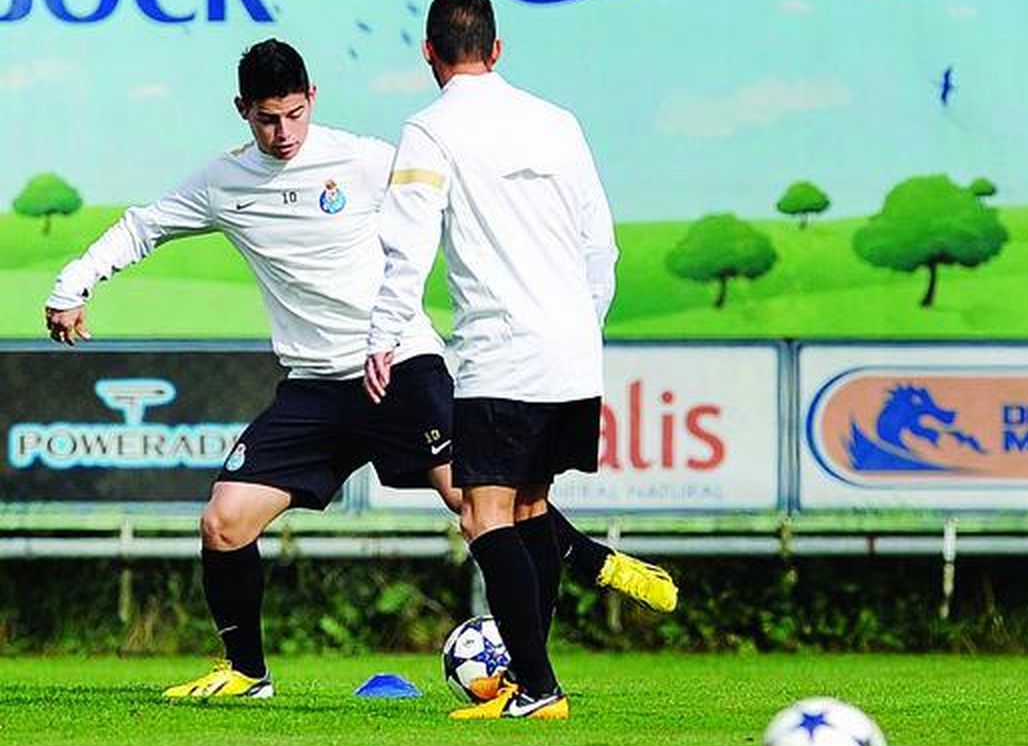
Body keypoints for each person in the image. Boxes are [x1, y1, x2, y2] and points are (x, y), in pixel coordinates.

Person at [43, 38, 675, 700]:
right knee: (224, 521)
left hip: (400, 366)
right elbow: (142, 228)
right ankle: (247, 673)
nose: (282, 131)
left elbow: (455, 199)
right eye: (266, 118)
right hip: (315, 389)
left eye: (293, 113)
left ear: (311, 99)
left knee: (479, 504)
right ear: (242, 110)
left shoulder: (367, 160)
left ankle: (588, 578)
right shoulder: (222, 183)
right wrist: (73, 283)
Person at [364, 0, 624, 721]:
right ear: (497, 48)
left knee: (484, 518)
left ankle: (538, 689)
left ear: (429, 53)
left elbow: (407, 243)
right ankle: (528, 681)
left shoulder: (431, 130)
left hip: (501, 356)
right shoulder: (558, 123)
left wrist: (384, 335)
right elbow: (599, 244)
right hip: (573, 353)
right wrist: (580, 326)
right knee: (533, 508)